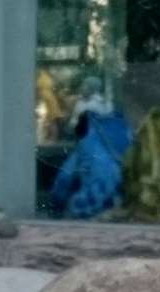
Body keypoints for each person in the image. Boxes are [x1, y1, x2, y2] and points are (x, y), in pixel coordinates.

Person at [49, 76, 133, 218]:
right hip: (121, 205)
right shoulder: (114, 144)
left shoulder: (85, 144)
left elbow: (63, 181)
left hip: (89, 206)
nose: (82, 88)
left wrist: (53, 210)